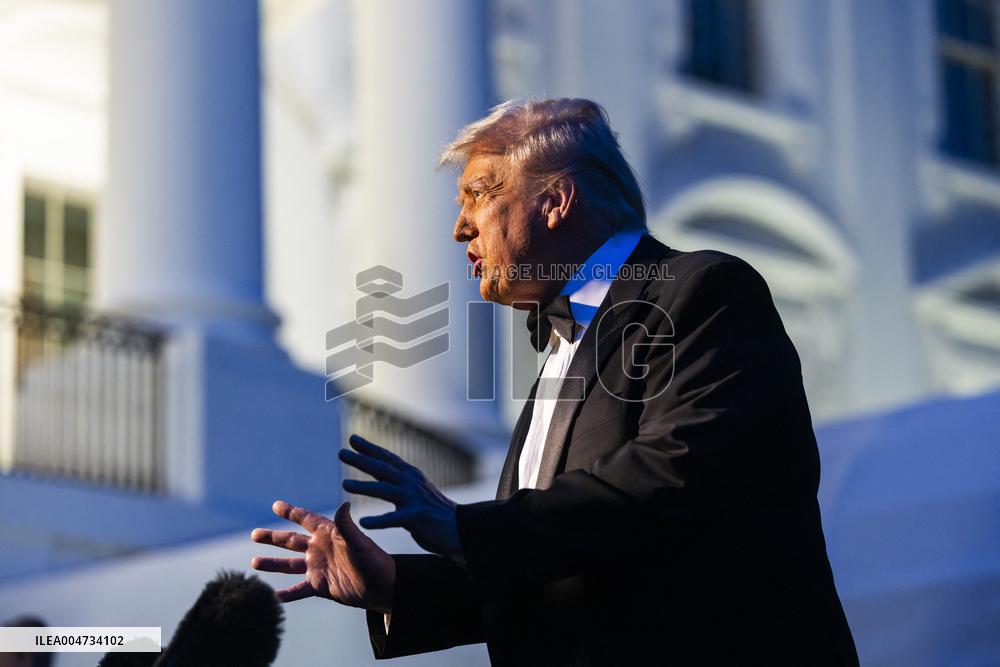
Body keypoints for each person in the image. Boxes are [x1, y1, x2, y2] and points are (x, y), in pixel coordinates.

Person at [250, 98, 860, 666]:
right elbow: (559, 563)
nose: (460, 229)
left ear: (556, 201)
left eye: (480, 196)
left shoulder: (704, 290)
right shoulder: (564, 344)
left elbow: (676, 478)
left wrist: (466, 527)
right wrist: (394, 585)